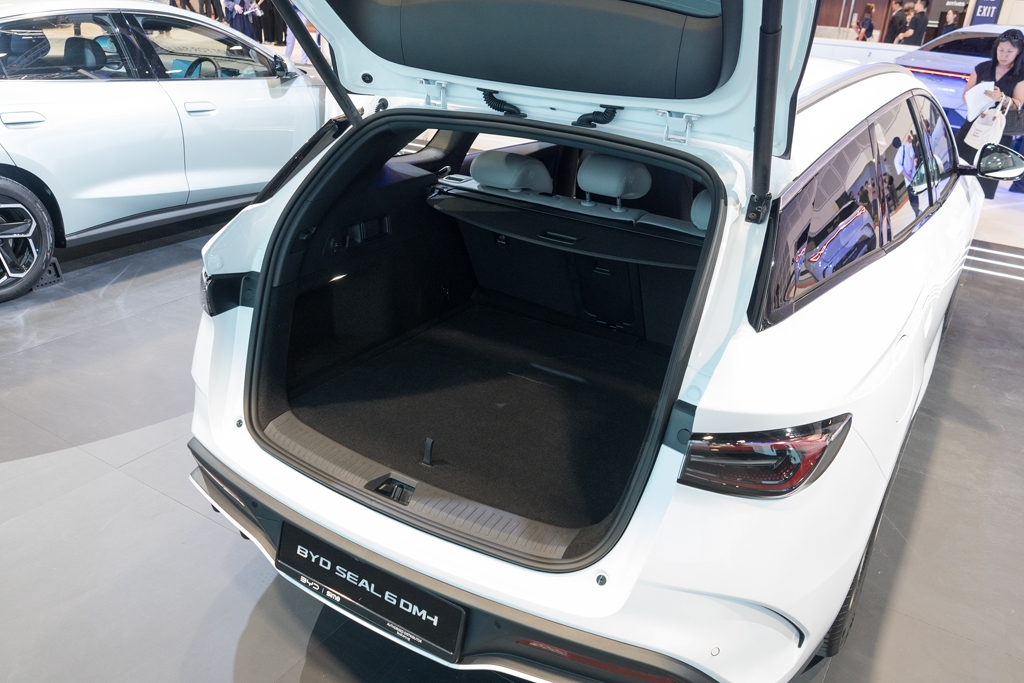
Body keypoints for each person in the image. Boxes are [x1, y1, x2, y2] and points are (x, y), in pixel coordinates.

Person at [955, 29, 1024, 198]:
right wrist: (978, 95)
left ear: (1018, 52)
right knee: (960, 168)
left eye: (1009, 51)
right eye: (1001, 50)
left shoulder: (1020, 74)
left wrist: (1002, 98)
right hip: (973, 124)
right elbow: (965, 96)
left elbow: (1018, 103)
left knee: (984, 177)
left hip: (998, 130)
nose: (1004, 55)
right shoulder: (983, 68)